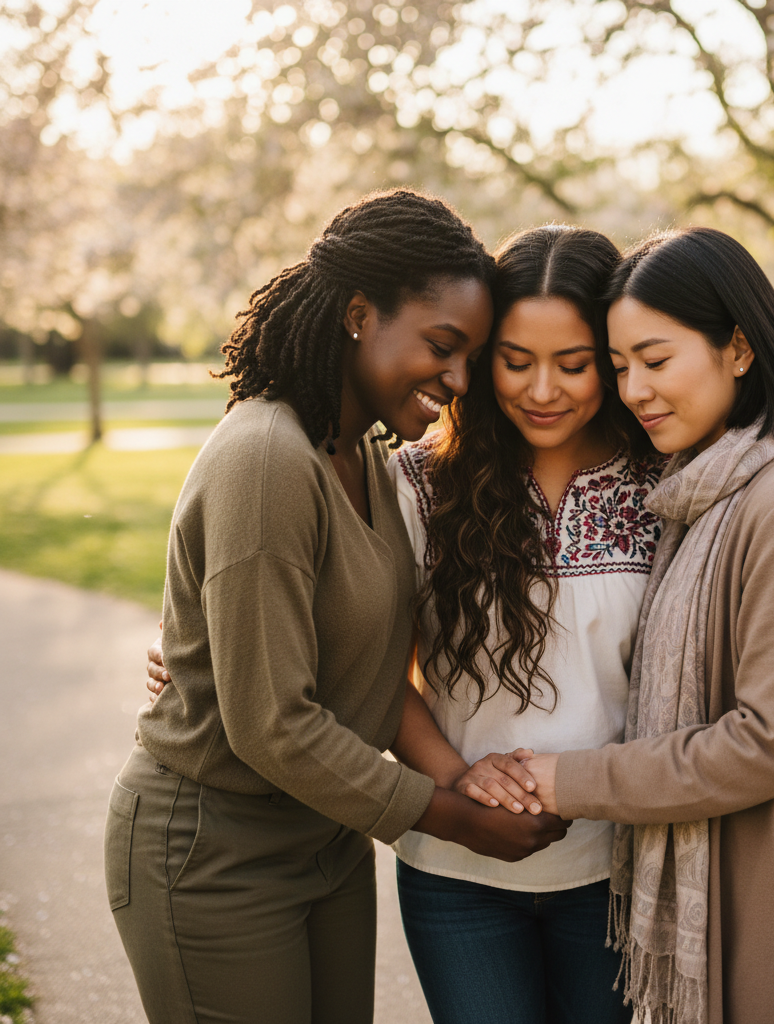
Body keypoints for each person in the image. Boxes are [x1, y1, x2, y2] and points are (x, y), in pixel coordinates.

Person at [145, 224, 774, 1023]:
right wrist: (457, 783)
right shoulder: (415, 484)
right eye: (514, 360)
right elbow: (354, 656)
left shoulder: (669, 486)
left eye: (577, 364)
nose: (543, 390)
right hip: (459, 874)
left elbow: (739, 633)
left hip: (615, 870)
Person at [105, 190, 569, 1024]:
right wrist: (454, 818)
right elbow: (270, 722)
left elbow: (364, 659)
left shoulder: (361, 459)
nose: (459, 380)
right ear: (359, 313)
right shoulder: (267, 457)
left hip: (326, 842)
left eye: (470, 357)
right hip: (215, 852)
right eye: (441, 346)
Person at [522, 227, 774, 1024]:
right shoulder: (704, 492)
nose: (634, 390)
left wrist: (567, 779)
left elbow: (768, 744)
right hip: (732, 880)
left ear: (739, 349)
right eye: (619, 368)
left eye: (656, 361)